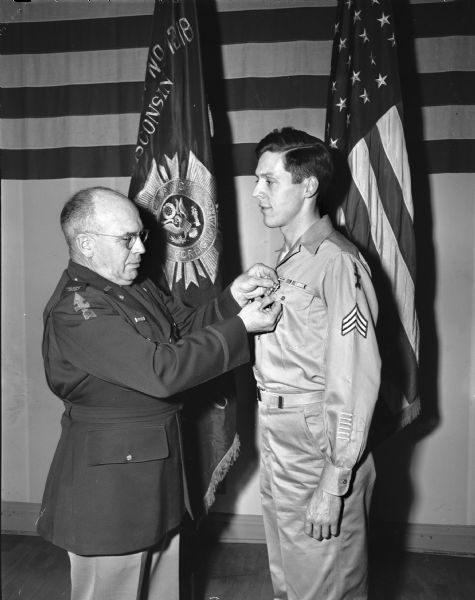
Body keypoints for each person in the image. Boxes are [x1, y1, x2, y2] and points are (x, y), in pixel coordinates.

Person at [37, 186, 282, 600]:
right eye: (126, 239)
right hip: (111, 490)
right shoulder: (76, 309)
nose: (140, 247)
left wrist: (231, 302)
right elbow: (160, 370)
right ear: (86, 245)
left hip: (158, 472)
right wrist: (241, 328)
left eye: (141, 236)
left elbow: (179, 328)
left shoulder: (131, 284)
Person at [252, 128, 381, 600]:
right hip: (281, 433)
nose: (256, 192)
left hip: (319, 445)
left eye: (269, 181)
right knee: (290, 576)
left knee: (325, 584)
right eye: (257, 180)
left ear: (308, 186)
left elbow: (353, 376)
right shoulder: (291, 260)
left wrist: (335, 475)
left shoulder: (336, 263)